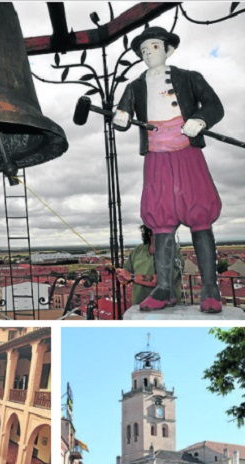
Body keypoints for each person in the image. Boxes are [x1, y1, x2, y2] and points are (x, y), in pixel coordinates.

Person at [113, 27, 224, 313]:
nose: (148, 53)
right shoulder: (135, 87)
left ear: (167, 49)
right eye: (143, 50)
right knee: (161, 220)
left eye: (153, 46)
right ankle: (164, 288)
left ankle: (210, 289)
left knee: (200, 215)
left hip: (187, 152)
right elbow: (121, 118)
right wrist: (122, 116)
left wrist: (199, 120)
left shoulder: (189, 78)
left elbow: (214, 106)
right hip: (157, 158)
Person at [116, 225, 184, 306]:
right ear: (149, 232)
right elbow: (126, 273)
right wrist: (122, 275)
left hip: (167, 309)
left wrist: (131, 276)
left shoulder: (174, 253)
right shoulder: (138, 250)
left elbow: (163, 281)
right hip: (139, 307)